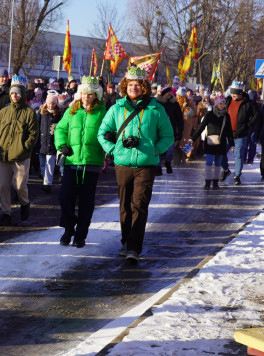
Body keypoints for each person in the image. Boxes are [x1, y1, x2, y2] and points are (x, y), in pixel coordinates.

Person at [97, 63, 174, 263]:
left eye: (138, 84)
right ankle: (125, 240)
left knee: (138, 204)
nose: (134, 88)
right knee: (124, 205)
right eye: (130, 84)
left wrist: (155, 149)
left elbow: (168, 136)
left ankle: (134, 247)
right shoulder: (116, 108)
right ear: (125, 86)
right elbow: (102, 133)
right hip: (122, 163)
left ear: (144, 87)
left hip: (146, 164)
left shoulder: (155, 109)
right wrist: (113, 149)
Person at [54, 76, 106, 247]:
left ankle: (80, 235)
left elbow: (109, 131)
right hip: (72, 161)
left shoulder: (102, 112)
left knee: (86, 201)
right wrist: (62, 145)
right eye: (84, 93)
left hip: (92, 163)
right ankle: (69, 228)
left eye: (90, 94)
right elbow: (60, 129)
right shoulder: (72, 110)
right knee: (65, 197)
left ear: (96, 95)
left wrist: (107, 143)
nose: (86, 97)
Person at [0, 74, 38, 226]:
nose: (14, 96)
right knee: (4, 186)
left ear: (22, 94)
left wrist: (25, 148)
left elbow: (33, 134)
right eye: (12, 93)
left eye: (17, 93)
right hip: (3, 155)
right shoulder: (3, 112)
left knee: (19, 186)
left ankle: (25, 203)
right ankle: (6, 212)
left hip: (21, 156)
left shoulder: (29, 113)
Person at [191, 94, 234, 189]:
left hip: (221, 143)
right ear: (216, 104)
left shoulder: (226, 116)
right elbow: (201, 127)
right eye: (221, 103)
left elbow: (229, 131)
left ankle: (215, 182)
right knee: (209, 162)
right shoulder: (209, 114)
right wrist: (193, 138)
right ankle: (207, 182)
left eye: (224, 103)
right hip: (210, 143)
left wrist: (231, 144)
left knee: (218, 164)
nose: (223, 105)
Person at [226, 81, 259, 185]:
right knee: (221, 153)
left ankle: (237, 175)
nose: (233, 95)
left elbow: (257, 115)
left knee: (238, 155)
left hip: (241, 134)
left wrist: (248, 124)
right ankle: (225, 170)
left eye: (235, 94)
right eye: (232, 93)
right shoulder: (227, 100)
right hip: (227, 133)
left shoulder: (248, 103)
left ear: (240, 93)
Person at [156, 86, 184, 174]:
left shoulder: (175, 104)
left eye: (170, 92)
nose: (169, 94)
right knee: (158, 150)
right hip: (158, 131)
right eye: (167, 92)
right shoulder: (157, 103)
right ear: (163, 94)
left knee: (170, 150)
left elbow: (180, 119)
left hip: (170, 131)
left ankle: (168, 162)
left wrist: (179, 133)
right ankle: (158, 167)